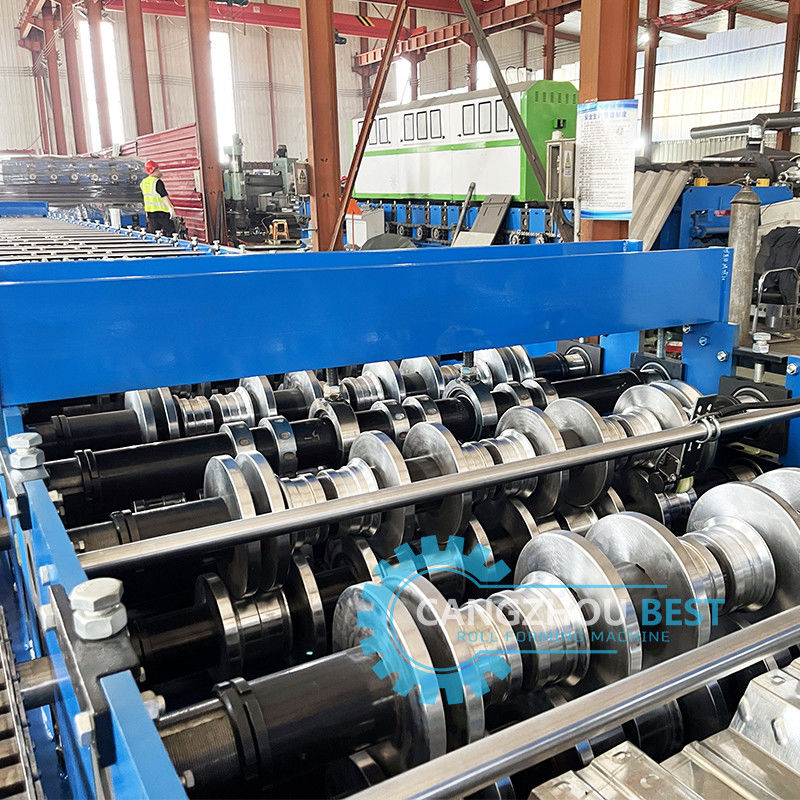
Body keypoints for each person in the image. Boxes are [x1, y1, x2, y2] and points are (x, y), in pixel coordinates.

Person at [140, 160, 177, 235]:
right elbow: (164, 196)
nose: (160, 171)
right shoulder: (157, 182)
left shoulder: (143, 182)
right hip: (162, 213)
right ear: (154, 170)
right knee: (171, 233)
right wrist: (171, 209)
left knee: (156, 234)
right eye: (158, 169)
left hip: (150, 213)